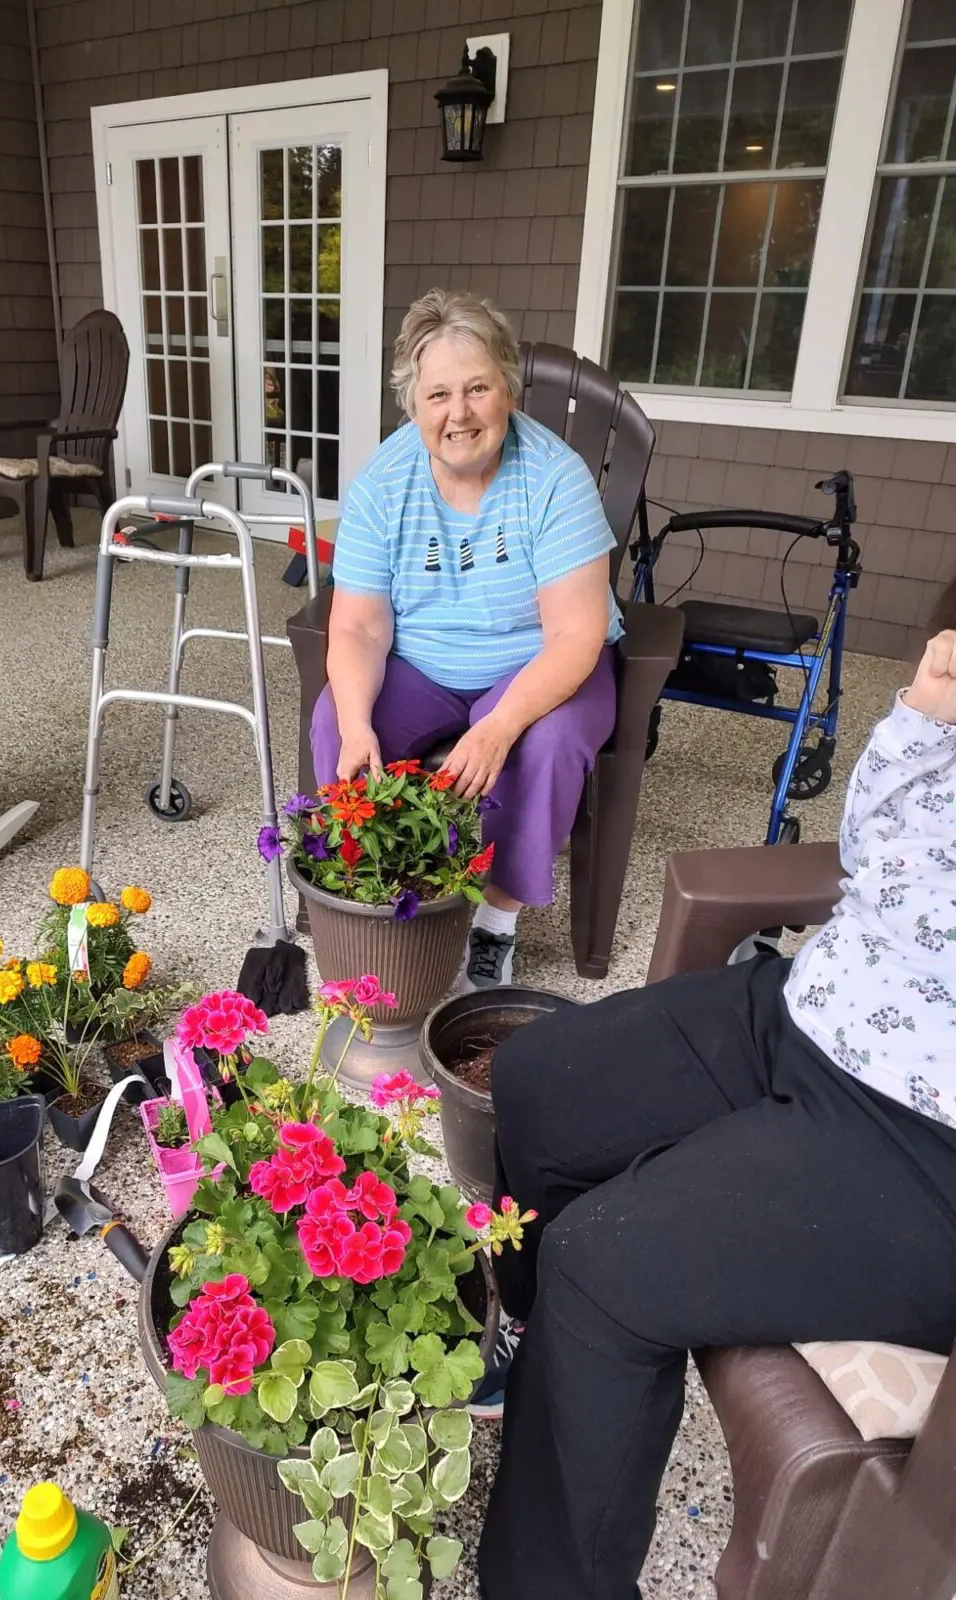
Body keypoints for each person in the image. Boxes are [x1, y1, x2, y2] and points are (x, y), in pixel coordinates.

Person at [476, 586, 956, 1600]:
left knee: (603, 1261)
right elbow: (875, 865)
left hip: (927, 1140)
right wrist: (921, 723)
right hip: (813, 1011)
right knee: (534, 1079)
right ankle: (531, 1346)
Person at [311, 289, 619, 992]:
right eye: (439, 394)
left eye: (478, 388)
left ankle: (496, 924)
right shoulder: (382, 484)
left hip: (541, 660)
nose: (459, 413)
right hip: (423, 661)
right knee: (338, 720)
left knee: (544, 740)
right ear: (413, 404)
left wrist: (501, 724)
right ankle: (380, 894)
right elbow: (358, 624)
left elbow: (576, 634)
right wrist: (360, 721)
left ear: (506, 388)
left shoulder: (555, 478)